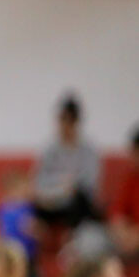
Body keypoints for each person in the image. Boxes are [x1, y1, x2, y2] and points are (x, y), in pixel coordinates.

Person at [33, 95, 102, 231]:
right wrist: (61, 188)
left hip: (77, 204)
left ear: (76, 122)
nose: (64, 126)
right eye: (62, 120)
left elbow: (89, 185)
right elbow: (40, 182)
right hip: (51, 203)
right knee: (34, 204)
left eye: (69, 120)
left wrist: (67, 187)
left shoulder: (89, 150)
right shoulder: (49, 149)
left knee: (81, 200)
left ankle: (74, 237)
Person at [0, 170, 39, 277]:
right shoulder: (23, 208)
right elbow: (28, 226)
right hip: (22, 248)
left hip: (14, 246)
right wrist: (38, 232)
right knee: (26, 268)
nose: (28, 191)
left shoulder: (4, 207)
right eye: (24, 188)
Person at [109, 128, 139, 260]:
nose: (133, 157)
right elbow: (117, 213)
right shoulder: (131, 178)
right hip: (127, 240)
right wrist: (122, 232)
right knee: (91, 239)